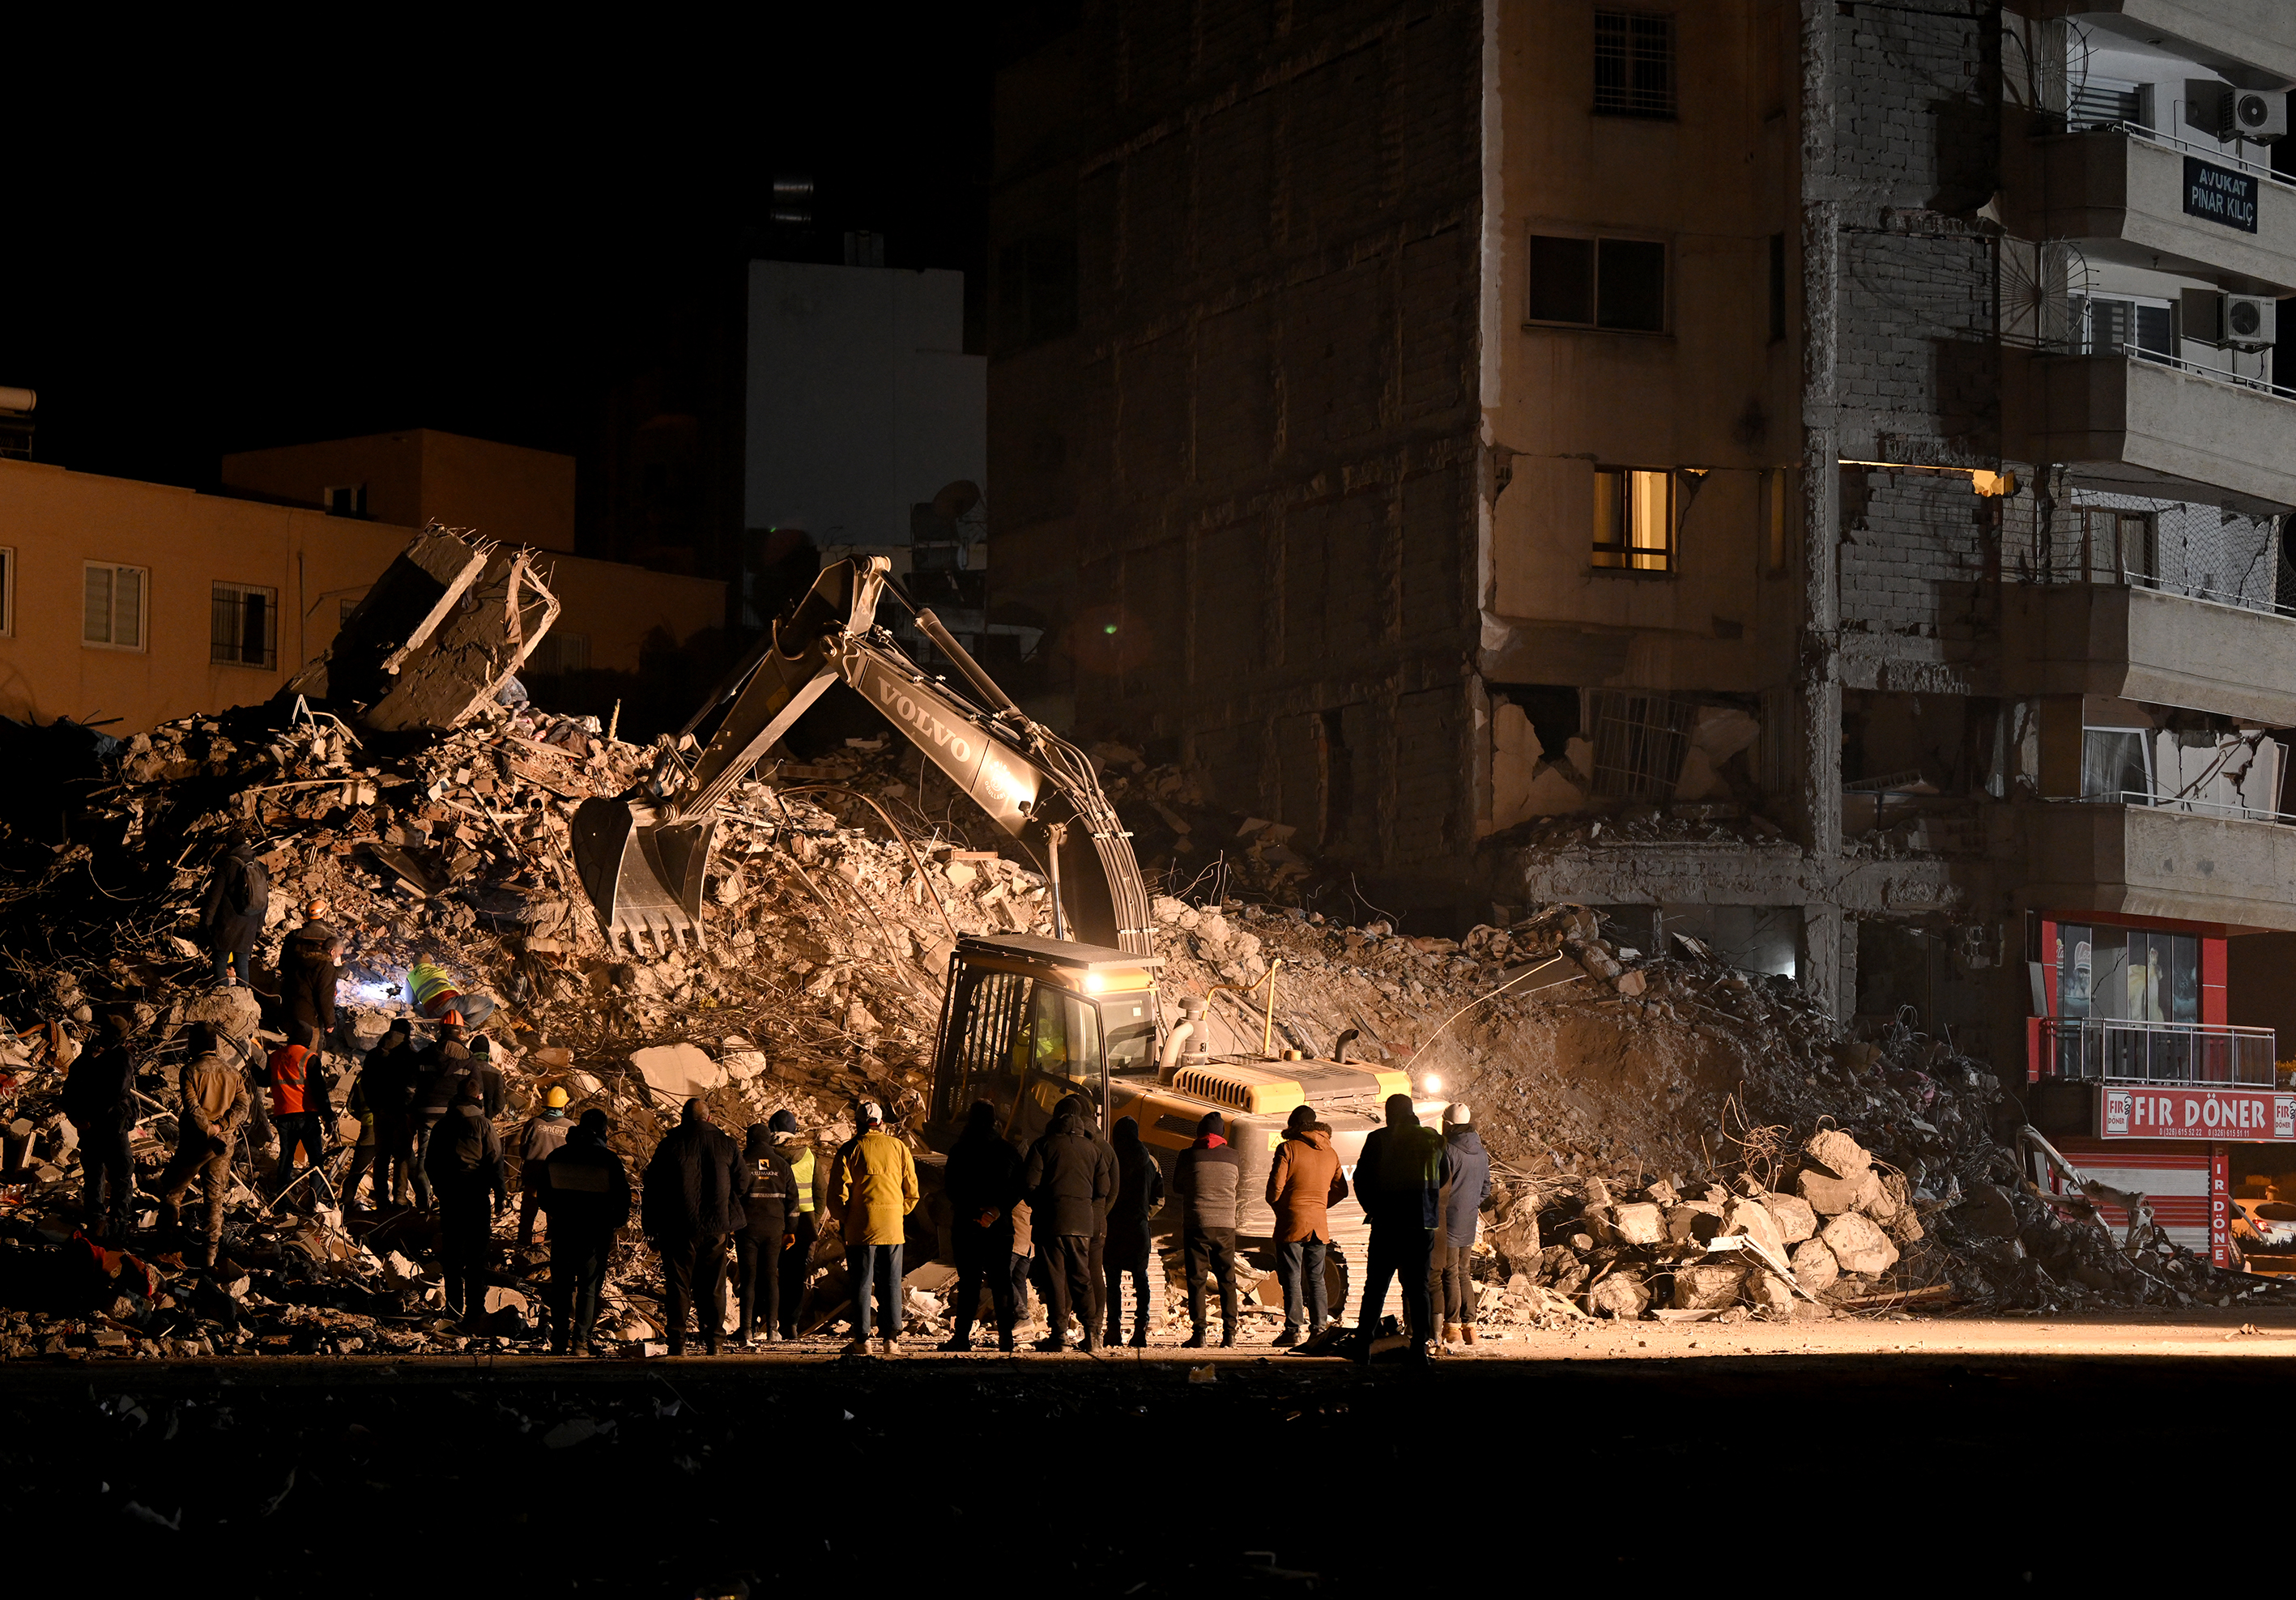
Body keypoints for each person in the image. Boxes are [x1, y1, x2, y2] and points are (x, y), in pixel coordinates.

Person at [1353, 1092, 1452, 1364]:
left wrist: (1371, 1208)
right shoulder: (1434, 1140)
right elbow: (1443, 1177)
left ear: (1390, 1113)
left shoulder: (1379, 1139)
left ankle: (1363, 1346)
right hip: (1422, 1224)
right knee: (1418, 1288)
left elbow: (1360, 1179)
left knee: (1375, 1287)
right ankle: (1419, 1349)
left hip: (1387, 1223)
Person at [642, 1098, 746, 1356]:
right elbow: (743, 1184)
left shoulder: (670, 1145)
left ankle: (677, 1341)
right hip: (716, 1227)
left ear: (683, 1118)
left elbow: (652, 1188)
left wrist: (651, 1227)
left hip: (678, 1226)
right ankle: (715, 1341)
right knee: (713, 1284)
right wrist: (725, 1201)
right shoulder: (727, 1144)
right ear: (709, 1118)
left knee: (678, 1284)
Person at [1023, 1094, 1114, 1351]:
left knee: (1055, 1279)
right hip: (1083, 1224)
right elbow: (1103, 1189)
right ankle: (1093, 1334)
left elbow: (1029, 1183)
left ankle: (1059, 1336)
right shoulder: (1094, 1150)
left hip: (1050, 1222)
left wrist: (1040, 1204)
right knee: (1082, 1277)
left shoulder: (1043, 1145)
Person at [828, 1100, 919, 1355]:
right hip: (892, 1228)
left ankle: (863, 1340)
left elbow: (837, 1195)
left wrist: (846, 1218)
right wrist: (897, 1214)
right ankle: (892, 1340)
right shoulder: (898, 1147)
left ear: (857, 1123)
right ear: (881, 1122)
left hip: (860, 1228)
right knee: (891, 1281)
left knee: (861, 1282)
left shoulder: (850, 1149)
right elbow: (912, 1191)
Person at [536, 1109, 630, 1355]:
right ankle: (580, 1342)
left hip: (564, 1228)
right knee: (589, 1287)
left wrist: (561, 1212)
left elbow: (544, 1198)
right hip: (596, 1233)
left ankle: (558, 1341)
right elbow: (623, 1198)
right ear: (603, 1130)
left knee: (562, 1286)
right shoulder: (608, 1159)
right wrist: (614, 1221)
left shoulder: (557, 1156)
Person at [155, 1023, 249, 1268]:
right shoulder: (232, 1072)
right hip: (224, 1143)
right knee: (214, 1199)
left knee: (172, 1193)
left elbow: (193, 1108)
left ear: (193, 1044)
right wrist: (222, 1127)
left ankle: (164, 1247)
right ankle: (210, 1255)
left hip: (196, 1142)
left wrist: (209, 1131)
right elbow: (243, 1108)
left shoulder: (189, 1071)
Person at [942, 1100, 1024, 1352]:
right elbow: (1019, 1187)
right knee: (1001, 1281)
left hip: (967, 1226)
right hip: (1000, 1227)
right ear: (994, 1121)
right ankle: (1006, 1338)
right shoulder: (1008, 1151)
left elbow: (951, 1189)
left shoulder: (958, 1151)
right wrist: (996, 1210)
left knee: (969, 1282)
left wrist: (973, 1211)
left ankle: (962, 1337)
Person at [424, 1078, 507, 1320]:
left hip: (451, 1196)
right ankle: (475, 1309)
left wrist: (440, 1189)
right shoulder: (484, 1125)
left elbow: (430, 1163)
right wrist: (500, 1195)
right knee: (476, 1255)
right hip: (475, 1194)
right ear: (479, 1098)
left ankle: (453, 1309)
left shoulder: (442, 1125)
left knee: (452, 1254)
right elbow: (495, 1162)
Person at [1267, 1103, 1348, 1347]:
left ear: (1293, 1126)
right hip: (1318, 1225)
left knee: (1291, 1277)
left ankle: (1293, 1330)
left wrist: (1285, 1207)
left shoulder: (1288, 1149)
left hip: (1292, 1223)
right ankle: (1319, 1329)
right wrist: (1320, 1205)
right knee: (1316, 1278)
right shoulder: (1331, 1153)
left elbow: (1274, 1191)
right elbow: (1342, 1190)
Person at [1172, 1110, 1243, 1348]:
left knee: (1196, 1279)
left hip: (1197, 1223)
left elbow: (1178, 1186)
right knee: (1227, 1280)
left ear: (1200, 1132)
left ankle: (1199, 1334)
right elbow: (1235, 1184)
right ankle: (1230, 1334)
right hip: (1225, 1225)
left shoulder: (1188, 1155)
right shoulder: (1234, 1156)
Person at [64, 1012, 138, 1240]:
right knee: (121, 1175)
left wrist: (77, 1118)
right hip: (112, 1127)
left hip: (91, 1126)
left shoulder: (86, 1057)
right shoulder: (121, 1057)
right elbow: (119, 1092)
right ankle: (117, 1225)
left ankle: (98, 1222)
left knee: (95, 1175)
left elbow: (68, 1092)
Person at [1102, 1116, 1165, 1348]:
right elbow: (1159, 1199)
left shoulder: (1110, 1159)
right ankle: (1140, 1331)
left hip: (1114, 1228)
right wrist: (1145, 1215)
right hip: (1138, 1229)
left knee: (1113, 1281)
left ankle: (1114, 1330)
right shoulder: (1151, 1162)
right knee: (1141, 1280)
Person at [734, 1124, 799, 1344]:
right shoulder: (782, 1165)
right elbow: (792, 1200)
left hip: (747, 1227)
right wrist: (790, 1230)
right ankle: (772, 1329)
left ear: (749, 1140)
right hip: (774, 1228)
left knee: (749, 1278)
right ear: (769, 1141)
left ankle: (746, 1330)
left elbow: (731, 1194)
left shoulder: (741, 1163)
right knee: (771, 1276)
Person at [1436, 1103, 1493, 1347]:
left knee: (1448, 1272)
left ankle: (1452, 1328)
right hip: (1469, 1220)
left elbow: (1440, 1187)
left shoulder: (1447, 1150)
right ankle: (1471, 1327)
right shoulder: (1481, 1152)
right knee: (1463, 1272)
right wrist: (1470, 1205)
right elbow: (1486, 1189)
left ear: (1448, 1124)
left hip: (1448, 1220)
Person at [266, 1022, 334, 1210]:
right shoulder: (309, 1058)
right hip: (307, 1117)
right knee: (316, 1160)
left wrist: (253, 1067)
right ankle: (315, 1200)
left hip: (284, 1116)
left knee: (286, 1159)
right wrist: (329, 1118)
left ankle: (281, 1202)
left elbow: (263, 1080)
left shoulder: (274, 1057)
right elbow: (320, 1092)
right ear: (307, 1040)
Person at [768, 1110, 818, 1339]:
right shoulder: (808, 1155)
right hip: (803, 1224)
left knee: (770, 1272)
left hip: (775, 1222)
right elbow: (820, 1190)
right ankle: (792, 1324)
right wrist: (814, 1219)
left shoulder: (768, 1155)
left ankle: (768, 1324)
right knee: (795, 1276)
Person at [196, 835, 268, 987]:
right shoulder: (260, 867)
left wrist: (206, 923)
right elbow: (264, 902)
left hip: (226, 923)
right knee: (242, 965)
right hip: (249, 924)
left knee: (220, 962)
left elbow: (213, 898)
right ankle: (244, 1001)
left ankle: (223, 998)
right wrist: (258, 927)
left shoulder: (226, 865)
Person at [360, 1023, 420, 1206]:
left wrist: (374, 1107)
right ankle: (400, 1197)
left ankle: (381, 1198)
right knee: (402, 1155)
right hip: (401, 1113)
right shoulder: (410, 1056)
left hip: (380, 1112)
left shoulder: (373, 1055)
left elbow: (365, 1084)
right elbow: (415, 1086)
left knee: (382, 1156)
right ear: (407, 1034)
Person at [515, 1087, 573, 1249]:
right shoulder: (570, 1127)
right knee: (554, 1217)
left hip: (533, 1177)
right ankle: (548, 1249)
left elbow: (523, 1151)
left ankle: (522, 1245)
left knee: (527, 1215)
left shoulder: (533, 1124)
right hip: (557, 1182)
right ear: (563, 1106)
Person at [408, 1037, 459, 1211]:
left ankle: (424, 1200)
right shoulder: (461, 1060)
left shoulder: (423, 1056)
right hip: (448, 1116)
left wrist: (412, 1109)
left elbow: (411, 1087)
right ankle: (446, 1202)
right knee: (447, 1159)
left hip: (426, 1114)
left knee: (423, 1158)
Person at [281, 902, 343, 1045]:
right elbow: (325, 993)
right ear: (324, 914)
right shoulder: (330, 940)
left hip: (291, 997)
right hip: (313, 1008)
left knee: (295, 1041)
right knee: (314, 1042)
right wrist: (329, 1021)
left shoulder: (293, 937)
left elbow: (283, 965)